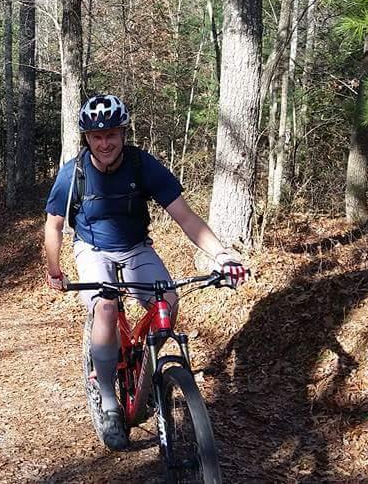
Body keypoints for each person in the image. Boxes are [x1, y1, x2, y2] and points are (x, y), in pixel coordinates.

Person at [43, 94, 249, 450]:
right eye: (96, 136)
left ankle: (145, 371)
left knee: (167, 300)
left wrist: (221, 255)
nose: (104, 143)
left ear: (123, 134)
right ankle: (109, 402)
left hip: (136, 246)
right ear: (87, 139)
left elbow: (185, 216)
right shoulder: (73, 174)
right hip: (92, 249)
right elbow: (54, 225)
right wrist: (54, 269)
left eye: (111, 134)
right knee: (105, 308)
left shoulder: (142, 165)